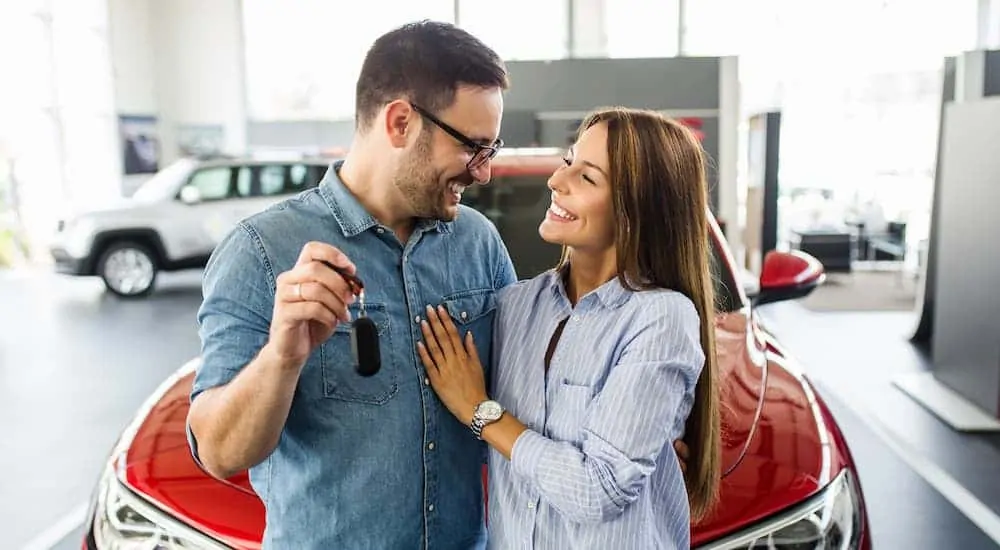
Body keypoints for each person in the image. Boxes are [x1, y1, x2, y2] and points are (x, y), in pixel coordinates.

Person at [186, 21, 512, 549]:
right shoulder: (262, 251)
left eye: (490, 149)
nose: (483, 173)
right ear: (401, 122)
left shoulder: (477, 243)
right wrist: (282, 358)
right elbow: (219, 453)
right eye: (473, 147)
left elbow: (526, 394)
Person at [416, 107, 722, 549]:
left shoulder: (661, 318)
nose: (557, 182)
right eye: (568, 162)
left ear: (637, 210)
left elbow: (598, 490)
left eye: (588, 178)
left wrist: (479, 410)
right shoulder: (516, 306)